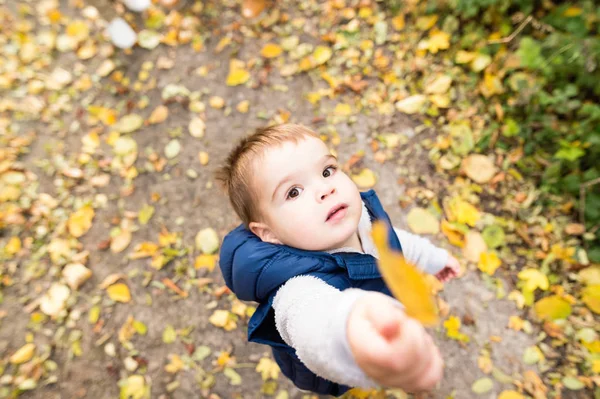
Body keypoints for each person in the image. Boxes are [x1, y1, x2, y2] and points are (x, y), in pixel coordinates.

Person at [216, 123, 461, 395]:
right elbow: (313, 321)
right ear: (269, 233)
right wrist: (350, 331)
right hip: (336, 362)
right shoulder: (297, 287)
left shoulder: (365, 223)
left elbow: (397, 245)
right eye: (293, 192)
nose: (325, 189)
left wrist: (434, 259)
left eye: (327, 171)